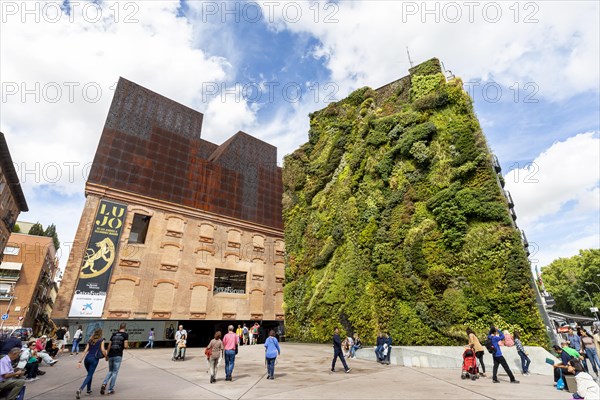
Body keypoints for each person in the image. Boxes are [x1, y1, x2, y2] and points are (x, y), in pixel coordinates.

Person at [76, 328, 107, 399]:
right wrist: (106, 356)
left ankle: (88, 390)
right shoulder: (101, 340)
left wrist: (80, 361)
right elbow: (103, 350)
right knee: (89, 375)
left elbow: (85, 351)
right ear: (101, 333)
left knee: (89, 375)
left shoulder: (90, 340)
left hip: (86, 359)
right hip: (94, 360)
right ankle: (80, 389)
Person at [101, 323, 129, 396]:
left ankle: (104, 384)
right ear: (125, 327)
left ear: (119, 327)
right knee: (115, 372)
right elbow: (125, 346)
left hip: (111, 355)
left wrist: (107, 355)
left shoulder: (114, 334)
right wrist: (127, 346)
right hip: (118, 355)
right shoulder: (125, 335)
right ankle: (110, 390)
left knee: (110, 371)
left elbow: (109, 345)